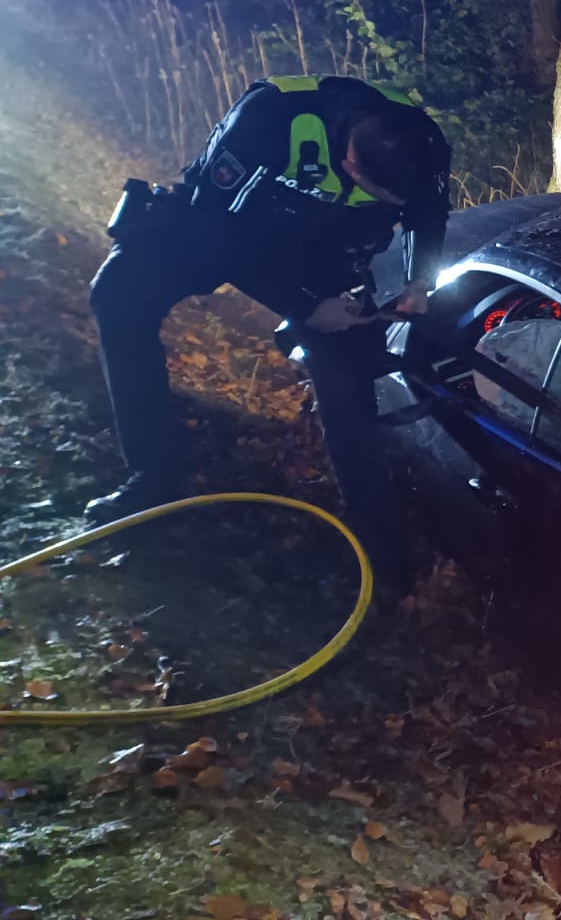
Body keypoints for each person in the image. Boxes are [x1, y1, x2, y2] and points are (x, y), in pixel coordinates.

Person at [87, 74, 452, 584]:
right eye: (384, 199)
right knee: (118, 294)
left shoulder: (422, 140)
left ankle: (381, 549)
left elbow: (428, 211)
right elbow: (211, 231)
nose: (395, 211)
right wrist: (305, 307)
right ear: (350, 164)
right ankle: (154, 475)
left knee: (347, 385)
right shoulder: (272, 115)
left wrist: (419, 282)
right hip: (223, 230)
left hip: (326, 254)